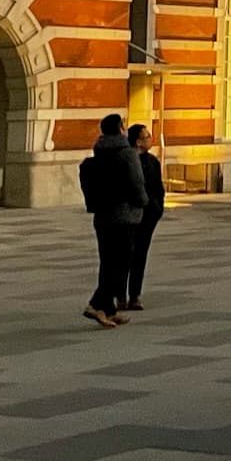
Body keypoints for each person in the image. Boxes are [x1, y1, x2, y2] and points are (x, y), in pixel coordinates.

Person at [81, 114, 147, 329]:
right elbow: (137, 183)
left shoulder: (98, 151)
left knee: (107, 261)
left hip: (102, 215)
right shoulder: (127, 154)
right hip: (125, 215)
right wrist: (144, 202)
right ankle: (96, 304)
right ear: (120, 129)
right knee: (121, 263)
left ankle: (108, 309)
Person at [123, 123, 166, 311]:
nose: (151, 139)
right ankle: (120, 294)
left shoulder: (152, 161)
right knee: (125, 255)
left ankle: (134, 295)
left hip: (148, 215)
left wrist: (158, 208)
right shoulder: (126, 161)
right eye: (147, 136)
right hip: (129, 215)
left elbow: (159, 188)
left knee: (140, 255)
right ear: (139, 141)